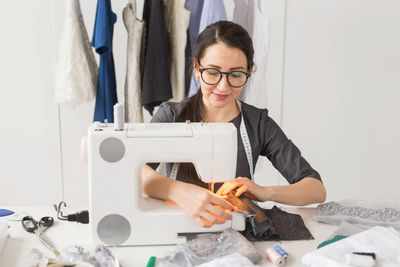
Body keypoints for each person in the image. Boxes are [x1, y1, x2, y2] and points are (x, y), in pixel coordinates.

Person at [142, 21, 326, 228]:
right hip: (175, 231)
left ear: (249, 71)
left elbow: (315, 188)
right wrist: (179, 192)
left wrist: (266, 192)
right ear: (196, 67)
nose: (223, 86)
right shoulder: (170, 117)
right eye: (212, 72)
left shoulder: (258, 124)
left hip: (235, 232)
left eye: (236, 74)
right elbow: (134, 172)